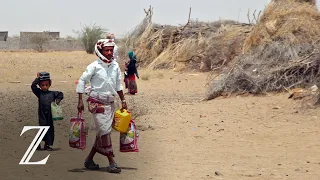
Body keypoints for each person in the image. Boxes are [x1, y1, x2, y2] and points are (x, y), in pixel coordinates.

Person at [76, 38, 127, 173]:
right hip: (96, 103)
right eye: (106, 50)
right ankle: (112, 162)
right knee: (105, 132)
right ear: (100, 51)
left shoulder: (115, 66)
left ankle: (89, 160)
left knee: (102, 132)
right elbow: (82, 81)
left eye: (111, 50)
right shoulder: (94, 66)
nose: (109, 53)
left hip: (110, 103)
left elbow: (118, 85)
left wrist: (123, 100)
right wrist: (80, 101)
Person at [31, 72, 64, 151]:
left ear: (49, 85)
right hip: (42, 115)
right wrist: (38, 79)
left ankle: (47, 145)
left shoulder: (52, 93)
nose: (44, 87)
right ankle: (37, 144)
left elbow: (60, 94)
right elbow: (33, 86)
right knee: (42, 129)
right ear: (40, 85)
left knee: (49, 130)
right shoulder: (39, 93)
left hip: (50, 115)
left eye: (46, 85)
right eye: (42, 85)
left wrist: (58, 100)